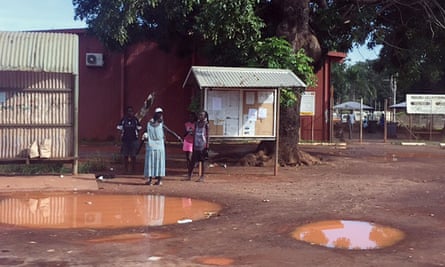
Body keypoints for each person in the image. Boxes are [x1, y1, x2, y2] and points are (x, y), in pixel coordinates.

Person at [143, 107, 166, 186]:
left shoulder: (149, 124)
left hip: (151, 146)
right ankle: (159, 181)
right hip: (160, 146)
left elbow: (146, 133)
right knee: (160, 162)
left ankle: (149, 180)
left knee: (150, 162)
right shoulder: (161, 124)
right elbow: (164, 134)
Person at [116, 106, 142, 173]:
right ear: (127, 112)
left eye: (131, 111)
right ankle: (126, 169)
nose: (130, 112)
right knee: (125, 155)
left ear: (133, 112)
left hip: (133, 140)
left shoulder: (135, 120)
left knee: (133, 156)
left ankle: (133, 170)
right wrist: (119, 139)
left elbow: (139, 128)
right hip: (125, 140)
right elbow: (119, 129)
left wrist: (137, 137)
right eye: (129, 111)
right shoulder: (123, 120)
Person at [186, 110, 209, 182]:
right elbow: (195, 133)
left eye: (202, 115)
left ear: (205, 116)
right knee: (192, 161)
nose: (200, 116)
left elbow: (208, 135)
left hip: (202, 145)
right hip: (196, 144)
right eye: (199, 115)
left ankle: (202, 176)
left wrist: (207, 146)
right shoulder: (196, 124)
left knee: (203, 161)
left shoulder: (206, 125)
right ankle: (189, 175)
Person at [182, 112, 197, 180]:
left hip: (193, 142)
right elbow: (184, 134)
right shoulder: (186, 124)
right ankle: (189, 171)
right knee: (187, 158)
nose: (191, 118)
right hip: (187, 141)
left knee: (191, 158)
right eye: (190, 117)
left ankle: (191, 172)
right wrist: (187, 132)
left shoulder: (196, 124)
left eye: (192, 117)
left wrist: (193, 134)